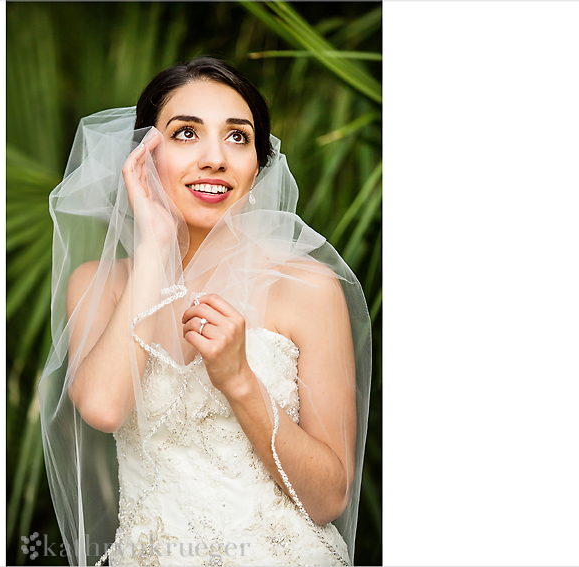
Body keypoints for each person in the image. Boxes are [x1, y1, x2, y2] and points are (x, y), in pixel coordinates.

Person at [38, 57, 372, 566]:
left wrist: (238, 378)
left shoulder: (308, 288)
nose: (215, 157)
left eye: (238, 137)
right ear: (145, 155)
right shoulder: (99, 282)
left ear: (259, 164)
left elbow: (328, 498)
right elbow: (104, 408)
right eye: (186, 133)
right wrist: (153, 252)